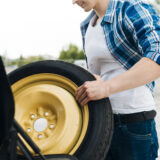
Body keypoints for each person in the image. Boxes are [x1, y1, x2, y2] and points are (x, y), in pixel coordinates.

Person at [73, 0, 160, 159]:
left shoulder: (131, 8)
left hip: (133, 123)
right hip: (100, 123)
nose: (73, 2)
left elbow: (157, 56)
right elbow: (99, 76)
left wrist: (106, 88)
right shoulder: (86, 25)